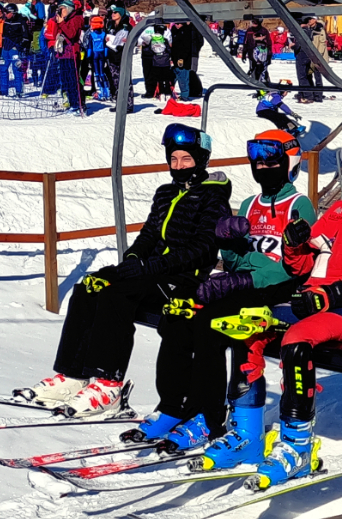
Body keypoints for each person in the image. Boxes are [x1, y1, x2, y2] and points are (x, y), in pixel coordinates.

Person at [219, 128, 342, 489]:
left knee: (295, 339)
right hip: (315, 302)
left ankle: (298, 446)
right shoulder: (340, 209)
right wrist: (294, 244)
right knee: (247, 327)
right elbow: (301, 264)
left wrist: (331, 296)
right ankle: (246, 433)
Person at [14, 124, 232, 421]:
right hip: (152, 273)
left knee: (117, 295)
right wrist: (129, 261)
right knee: (91, 285)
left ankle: (108, 385)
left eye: (187, 160)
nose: (179, 166)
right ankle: (73, 376)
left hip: (183, 279)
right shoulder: (166, 192)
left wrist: (151, 266)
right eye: (174, 159)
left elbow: (204, 248)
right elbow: (148, 236)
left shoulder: (213, 198)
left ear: (201, 161)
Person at [127, 130, 316, 454]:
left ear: (289, 163)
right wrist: (228, 243)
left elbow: (295, 266)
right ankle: (174, 406)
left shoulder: (299, 205)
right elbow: (234, 261)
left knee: (209, 324)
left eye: (272, 162)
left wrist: (246, 278)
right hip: (241, 285)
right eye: (257, 162)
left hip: (277, 292)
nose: (264, 168)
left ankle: (208, 416)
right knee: (178, 315)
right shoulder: (248, 204)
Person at [43, 0, 84, 112]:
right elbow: (55, 33)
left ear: (68, 9)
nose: (60, 11)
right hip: (62, 52)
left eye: (62, 9)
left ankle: (77, 105)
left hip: (72, 53)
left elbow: (71, 34)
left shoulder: (76, 18)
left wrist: (61, 22)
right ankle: (70, 102)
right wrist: (56, 22)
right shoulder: (63, 19)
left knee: (72, 80)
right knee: (65, 80)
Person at [0, 3, 31, 97]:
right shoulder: (6, 21)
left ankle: (19, 91)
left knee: (17, 69)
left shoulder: (21, 22)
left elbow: (26, 38)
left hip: (15, 50)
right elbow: (4, 34)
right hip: (5, 49)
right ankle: (4, 90)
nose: (6, 14)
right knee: (3, 69)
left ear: (13, 12)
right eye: (5, 12)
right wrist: (3, 44)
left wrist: (18, 46)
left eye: (7, 12)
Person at [106, 6, 134, 113]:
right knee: (116, 81)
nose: (113, 14)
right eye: (112, 12)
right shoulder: (110, 25)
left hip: (123, 56)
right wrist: (107, 38)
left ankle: (129, 105)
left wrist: (128, 40)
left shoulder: (127, 27)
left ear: (121, 14)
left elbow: (134, 40)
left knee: (126, 81)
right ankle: (119, 104)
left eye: (116, 12)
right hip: (112, 56)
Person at [292, 15, 323, 103]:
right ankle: (307, 93)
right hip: (309, 55)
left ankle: (308, 96)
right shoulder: (309, 31)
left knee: (302, 76)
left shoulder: (301, 31)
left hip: (302, 55)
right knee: (307, 75)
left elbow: (299, 44)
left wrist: (293, 47)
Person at [84, 15, 111, 100]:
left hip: (94, 55)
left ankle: (99, 92)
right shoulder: (104, 34)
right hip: (102, 54)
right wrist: (106, 56)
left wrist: (88, 57)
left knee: (96, 73)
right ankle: (106, 92)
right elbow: (106, 46)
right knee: (102, 73)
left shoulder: (91, 35)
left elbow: (89, 47)